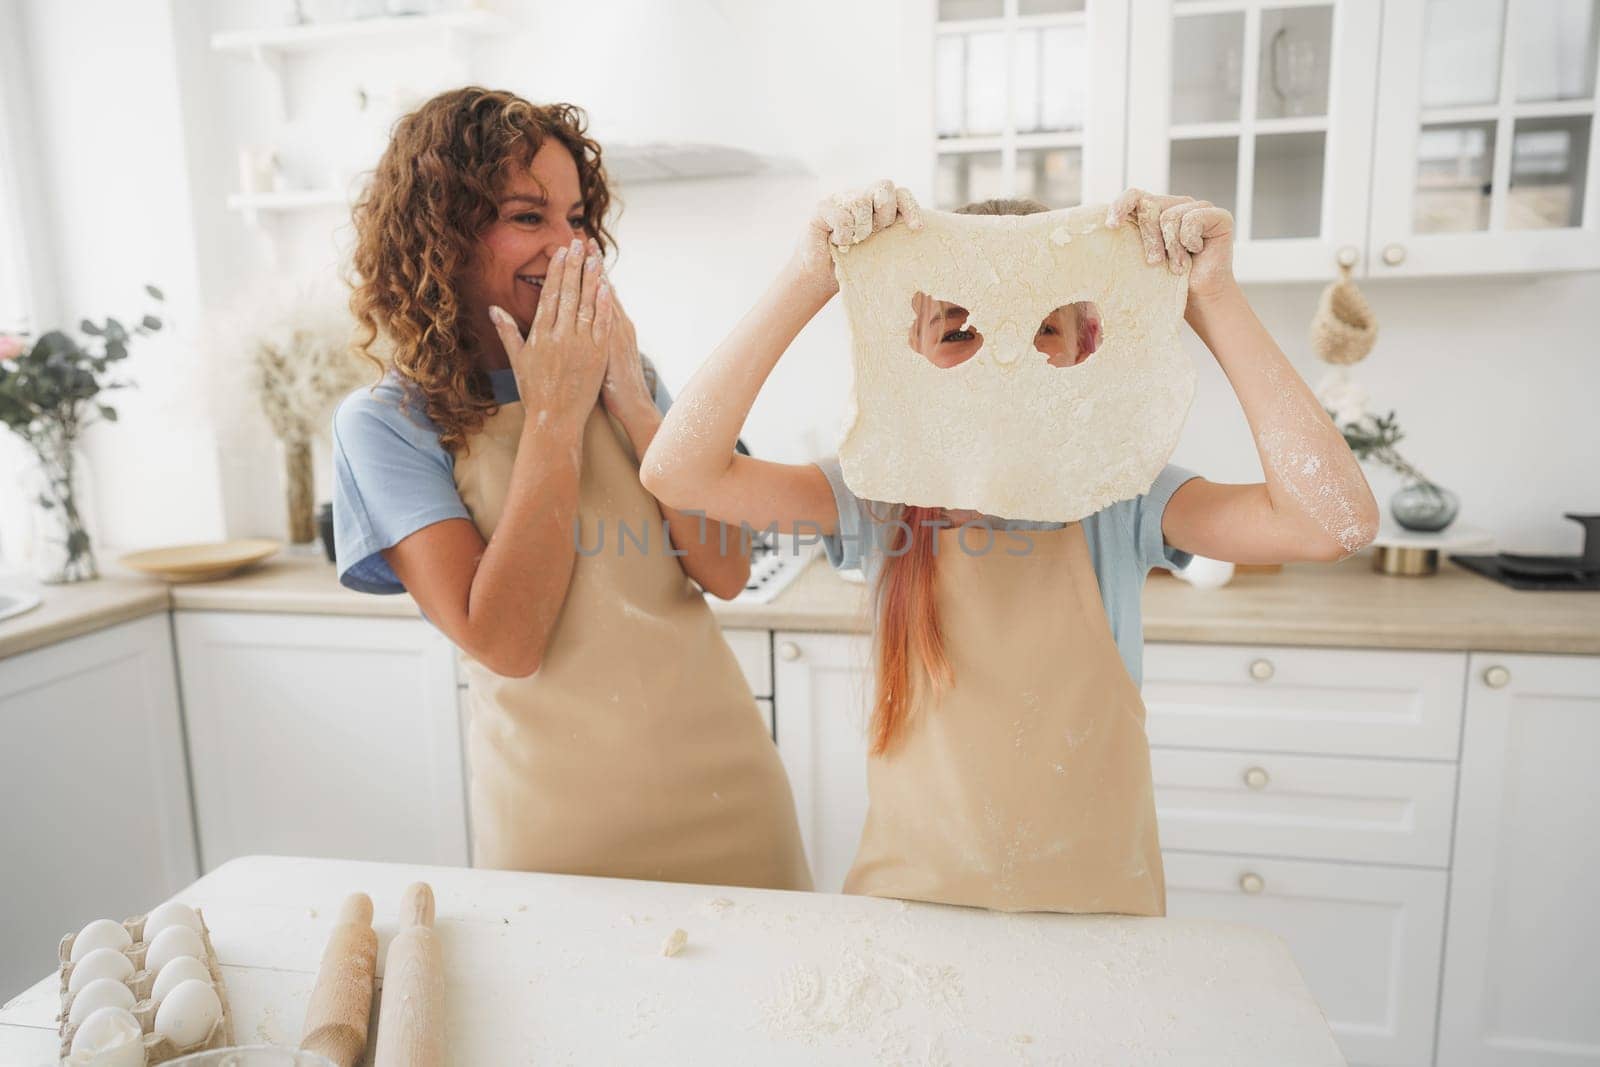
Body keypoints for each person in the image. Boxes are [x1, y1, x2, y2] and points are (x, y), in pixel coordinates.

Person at [639, 180, 1378, 914]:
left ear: (1085, 345)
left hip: (1099, 914)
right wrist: (810, 277)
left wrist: (1210, 295)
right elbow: (679, 470)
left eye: (1037, 332)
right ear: (912, 352)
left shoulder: (1124, 496)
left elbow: (1330, 522)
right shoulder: (878, 495)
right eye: (960, 332)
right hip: (911, 905)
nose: (1001, 362)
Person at [332, 87, 810, 890]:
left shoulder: (630, 370)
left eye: (578, 218)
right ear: (441, 234)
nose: (569, 246)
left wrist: (627, 396)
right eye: (529, 217)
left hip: (730, 794)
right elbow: (508, 640)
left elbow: (725, 569)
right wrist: (554, 414)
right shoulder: (389, 424)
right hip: (557, 839)